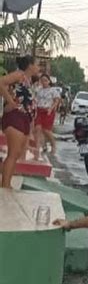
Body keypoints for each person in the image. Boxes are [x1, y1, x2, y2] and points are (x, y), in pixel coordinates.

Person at [0, 55, 40, 188]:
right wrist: (10, 101)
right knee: (13, 153)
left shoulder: (29, 80)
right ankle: (5, 184)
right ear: (30, 65)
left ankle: (7, 183)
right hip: (15, 116)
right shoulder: (19, 74)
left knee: (16, 154)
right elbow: (1, 82)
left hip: (24, 118)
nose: (38, 67)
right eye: (37, 64)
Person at [34, 74, 60, 157]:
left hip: (48, 111)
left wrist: (51, 109)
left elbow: (56, 101)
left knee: (46, 130)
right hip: (39, 110)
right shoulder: (39, 90)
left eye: (45, 80)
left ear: (49, 81)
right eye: (42, 80)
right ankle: (38, 148)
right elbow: (35, 99)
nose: (44, 82)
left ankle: (53, 145)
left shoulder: (53, 90)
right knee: (37, 128)